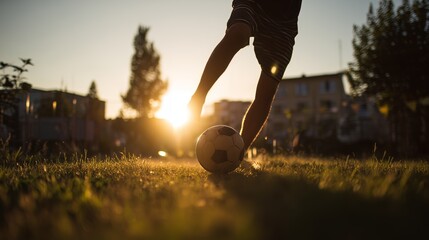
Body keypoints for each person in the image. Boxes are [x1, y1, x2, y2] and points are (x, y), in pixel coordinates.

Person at [189, 0, 302, 152]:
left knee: (267, 90)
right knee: (238, 33)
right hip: (253, 3)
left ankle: (239, 150)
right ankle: (199, 96)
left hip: (284, 21)